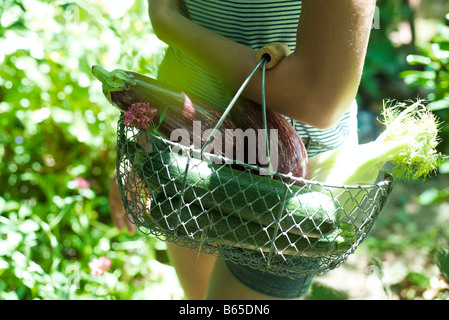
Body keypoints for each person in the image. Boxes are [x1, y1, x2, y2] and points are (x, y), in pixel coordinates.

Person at [109, 0, 377, 300]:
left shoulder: (165, 20)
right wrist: (149, 141)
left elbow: (319, 99)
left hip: (291, 183)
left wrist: (165, 21)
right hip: (186, 149)